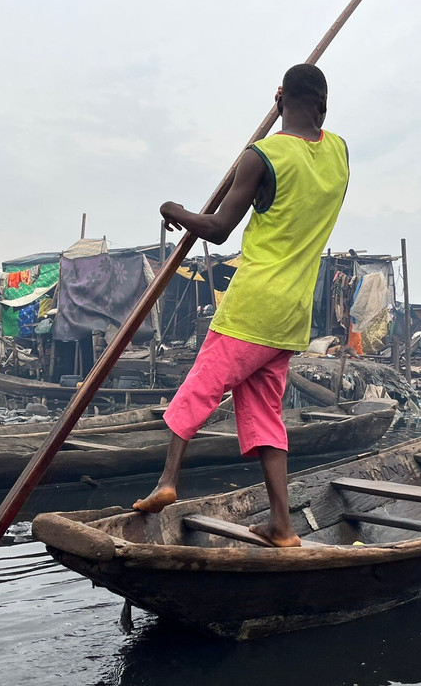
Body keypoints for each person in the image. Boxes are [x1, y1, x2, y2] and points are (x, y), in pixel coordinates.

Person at [132, 63, 350, 547]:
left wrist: (173, 210)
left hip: (252, 307)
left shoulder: (262, 156)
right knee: (264, 415)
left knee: (198, 389)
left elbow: (216, 228)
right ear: (324, 106)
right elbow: (309, 142)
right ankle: (282, 526)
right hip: (293, 316)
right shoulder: (339, 154)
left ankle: (167, 480)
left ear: (278, 101)